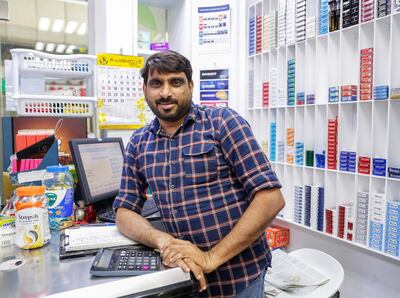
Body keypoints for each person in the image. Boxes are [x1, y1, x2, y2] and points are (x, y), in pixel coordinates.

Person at [113, 50, 285, 297]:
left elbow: (270, 198)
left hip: (238, 279)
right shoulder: (139, 142)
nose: (165, 93)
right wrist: (162, 241)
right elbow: (124, 211)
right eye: (156, 83)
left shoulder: (222, 122)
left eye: (176, 82)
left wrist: (209, 258)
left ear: (191, 86)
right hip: (184, 279)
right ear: (145, 89)